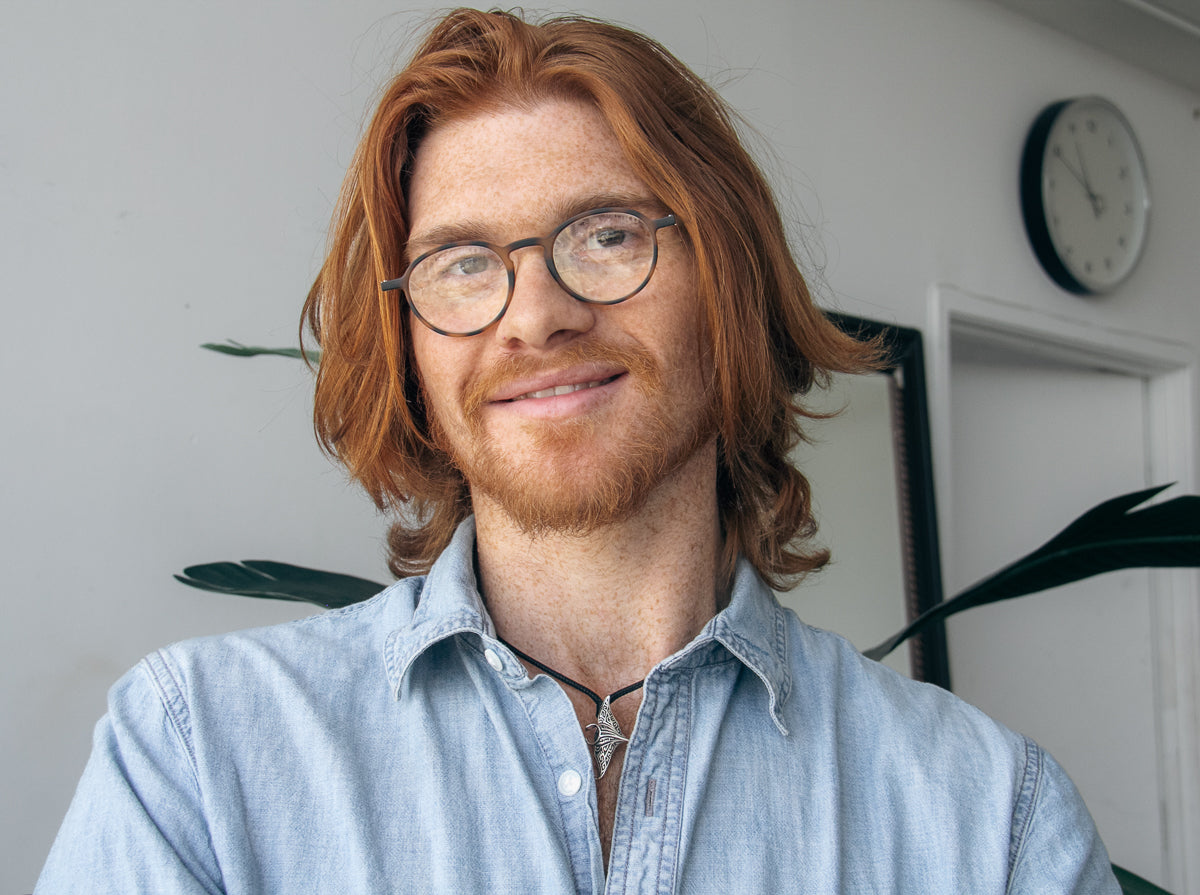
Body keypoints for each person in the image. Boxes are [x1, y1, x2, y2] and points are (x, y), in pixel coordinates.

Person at [37, 8, 1120, 892]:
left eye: (607, 234)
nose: (535, 316)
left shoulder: (990, 818)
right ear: (409, 343)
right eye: (462, 262)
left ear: (729, 280)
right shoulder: (199, 755)